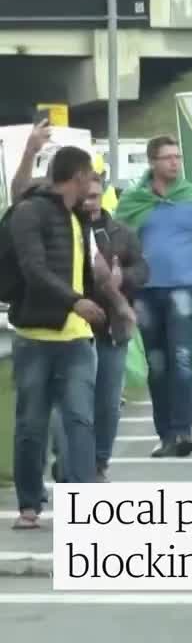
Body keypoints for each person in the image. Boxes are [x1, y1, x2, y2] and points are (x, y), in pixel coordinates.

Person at [6, 146, 103, 530]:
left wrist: (114, 304)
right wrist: (75, 301)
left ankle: (83, 504)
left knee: (80, 419)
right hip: (35, 336)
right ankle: (30, 504)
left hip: (77, 339)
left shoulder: (79, 217)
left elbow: (88, 269)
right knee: (31, 423)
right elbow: (33, 267)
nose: (94, 184)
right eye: (91, 176)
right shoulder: (31, 212)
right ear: (77, 176)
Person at [117, 135, 192, 458]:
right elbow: (118, 247)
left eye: (177, 157)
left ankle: (182, 430)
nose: (175, 162)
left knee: (182, 360)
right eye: (167, 157)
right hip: (145, 292)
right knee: (157, 363)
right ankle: (165, 434)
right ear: (152, 162)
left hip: (184, 287)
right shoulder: (134, 201)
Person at [82, 174, 148, 481]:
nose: (89, 202)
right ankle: (72, 457)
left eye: (95, 196)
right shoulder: (66, 229)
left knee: (108, 402)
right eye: (85, 196)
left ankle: (98, 461)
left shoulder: (121, 232)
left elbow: (143, 268)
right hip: (77, 328)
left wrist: (125, 279)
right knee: (73, 404)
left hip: (113, 329)